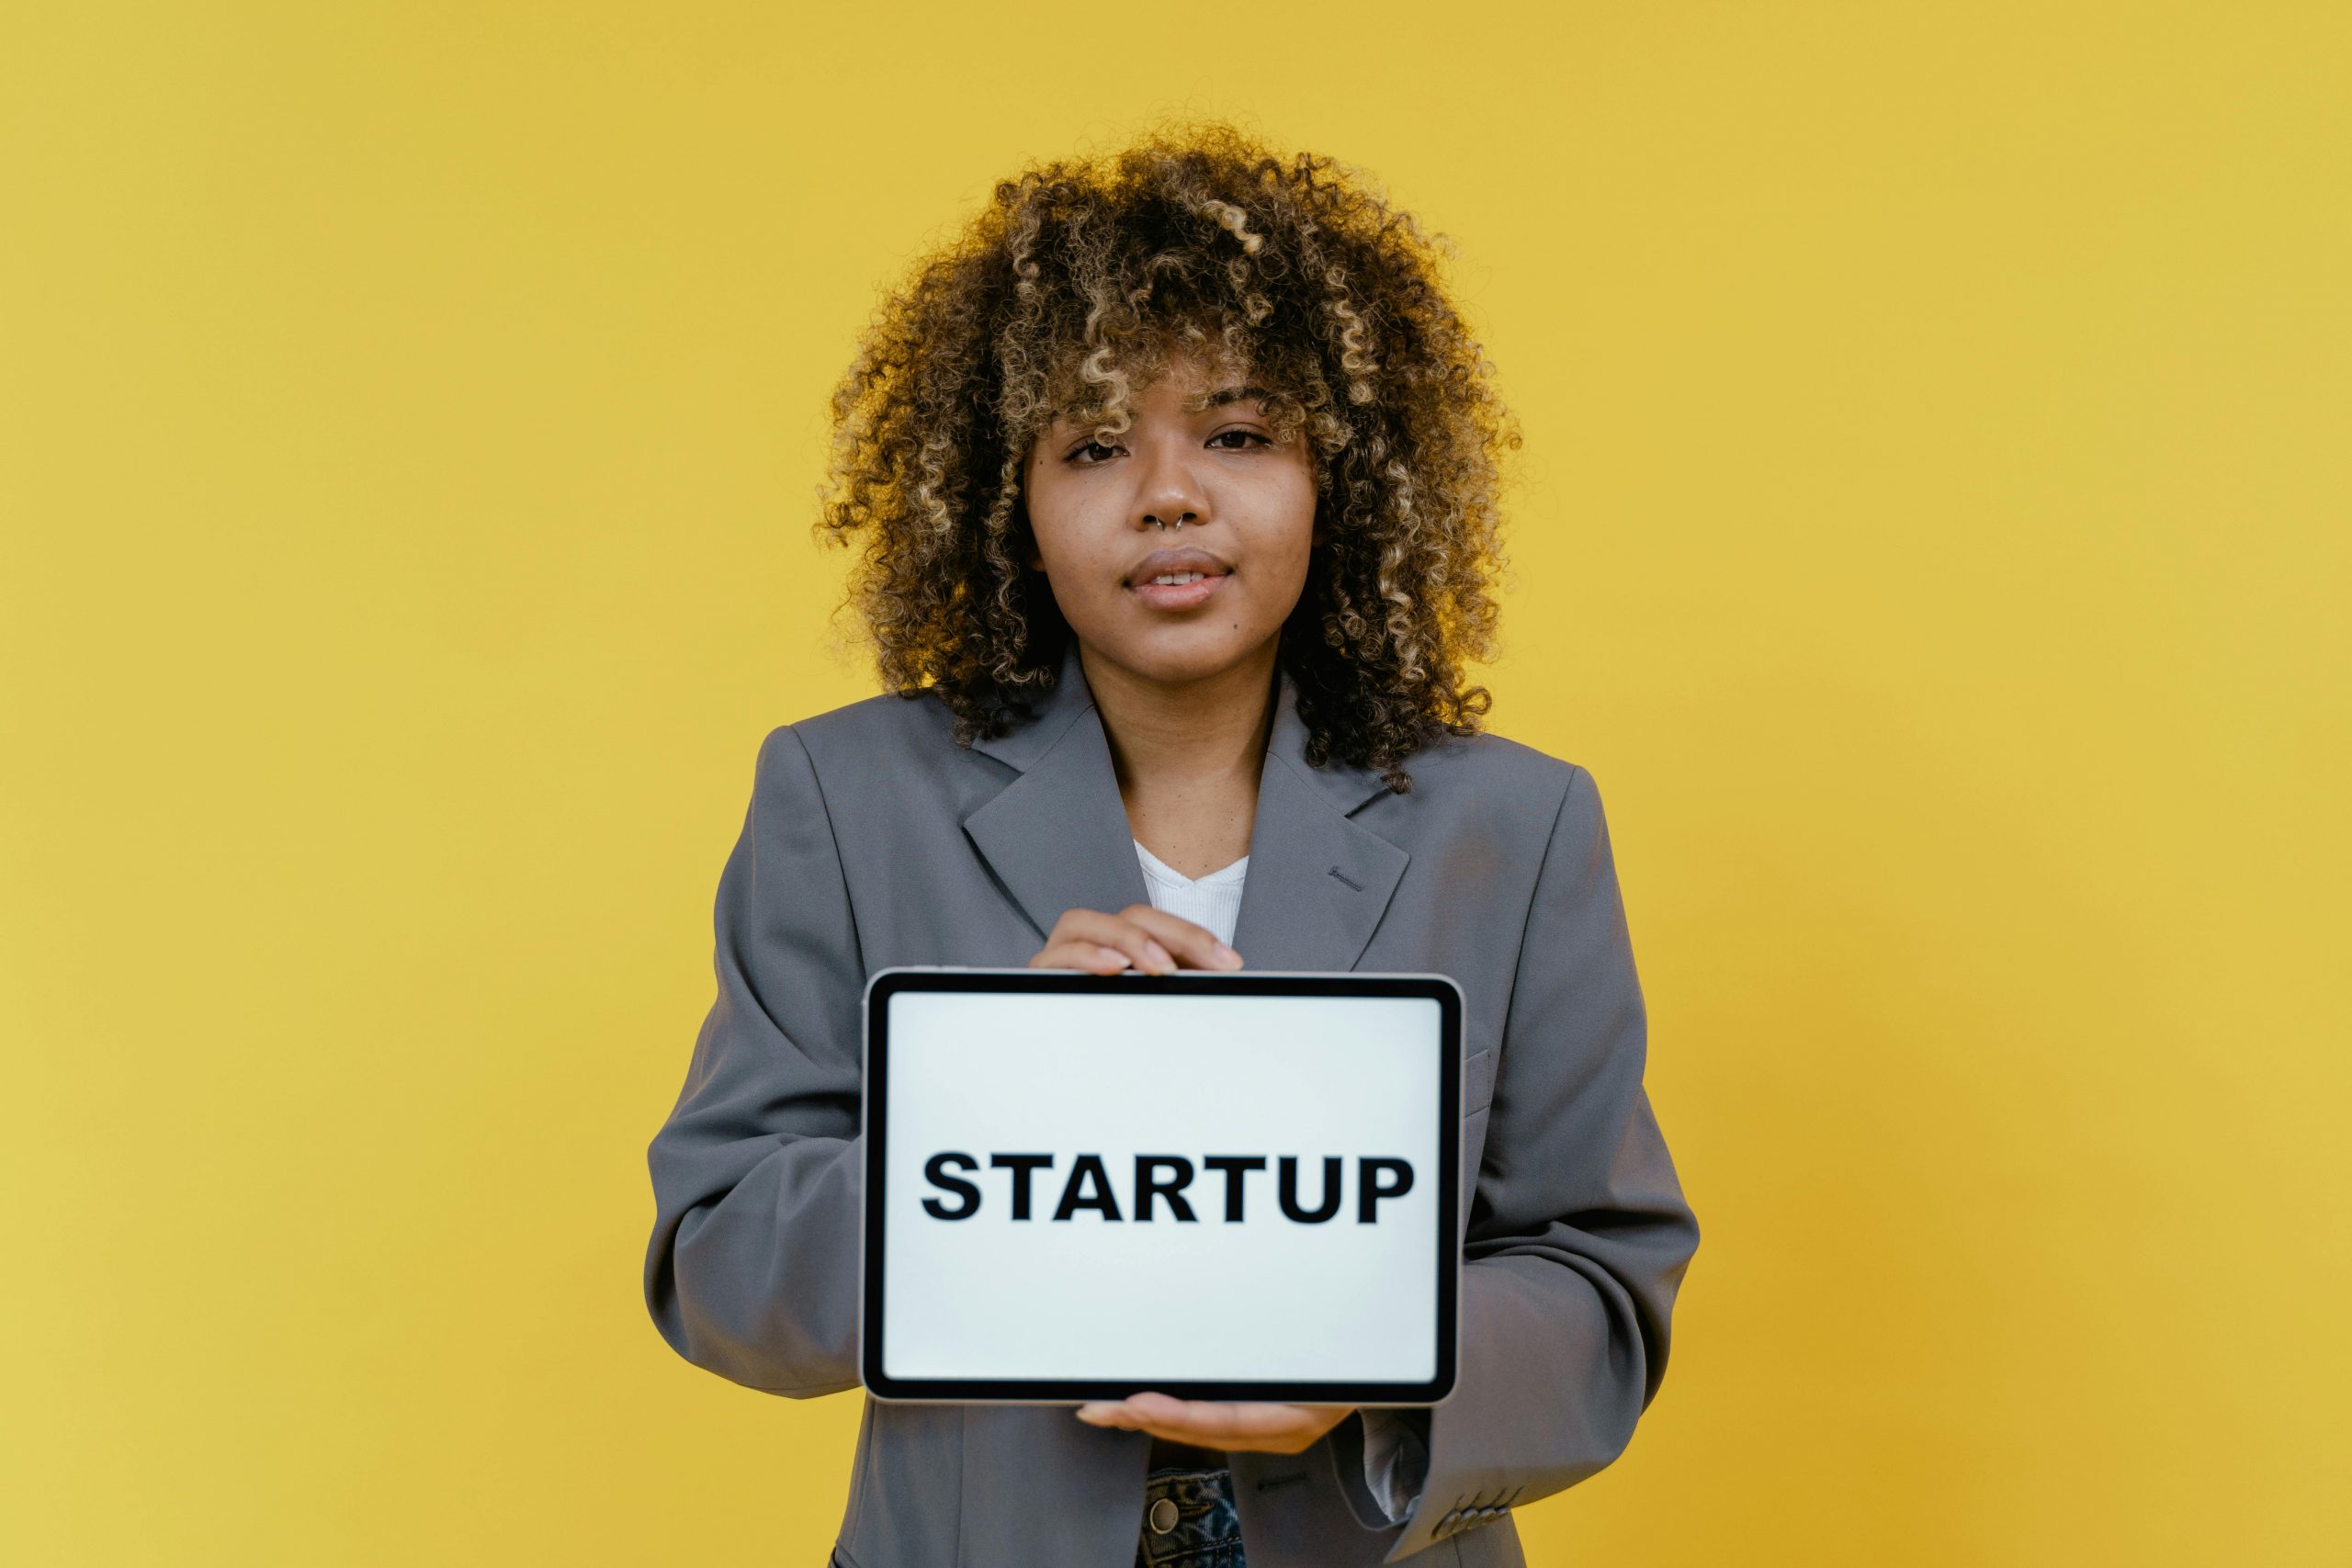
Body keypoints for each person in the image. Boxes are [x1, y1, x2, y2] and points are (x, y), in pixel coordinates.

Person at [641, 122, 1701, 1568]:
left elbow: (1600, 1285)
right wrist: (989, 1108)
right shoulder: (844, 796)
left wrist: (1377, 1372)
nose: (1168, 493)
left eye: (1240, 433)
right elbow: (718, 1266)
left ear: (1348, 478)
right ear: (1004, 503)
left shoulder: (1513, 829)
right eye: (1091, 445)